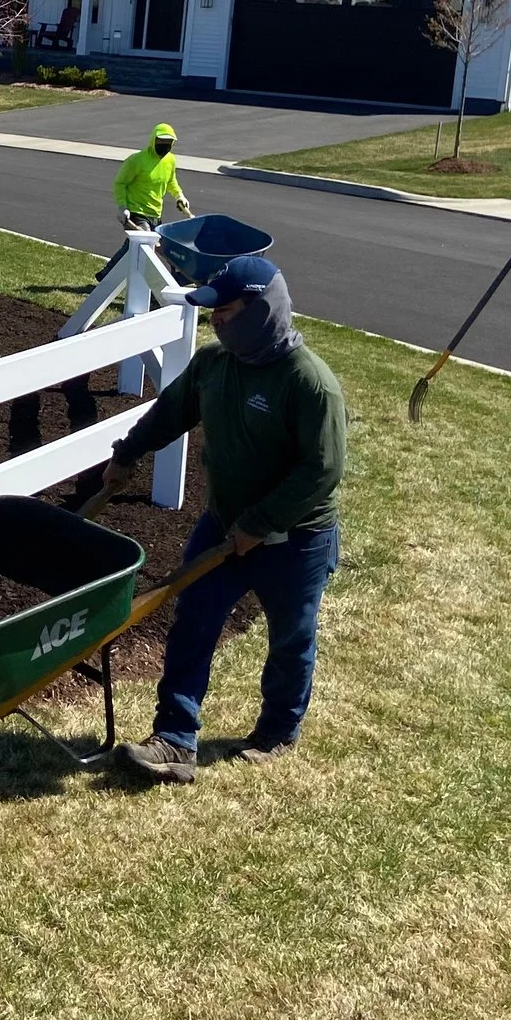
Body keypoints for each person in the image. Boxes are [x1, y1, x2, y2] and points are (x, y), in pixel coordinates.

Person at [103, 254, 346, 784]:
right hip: (225, 522)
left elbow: (321, 472)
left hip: (295, 537)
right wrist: (128, 454)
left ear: (261, 309)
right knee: (193, 621)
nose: (216, 320)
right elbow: (170, 411)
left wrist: (260, 524)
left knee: (291, 636)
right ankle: (174, 738)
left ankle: (278, 730)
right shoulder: (215, 366)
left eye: (227, 310)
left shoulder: (308, 384)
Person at [114, 122, 193, 234]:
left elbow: (170, 181)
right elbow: (120, 183)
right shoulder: (137, 160)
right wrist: (122, 207)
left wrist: (179, 196)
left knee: (150, 248)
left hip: (156, 214)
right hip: (136, 212)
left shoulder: (170, 160)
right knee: (145, 243)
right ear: (153, 140)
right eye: (161, 140)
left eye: (168, 142)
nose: (164, 144)